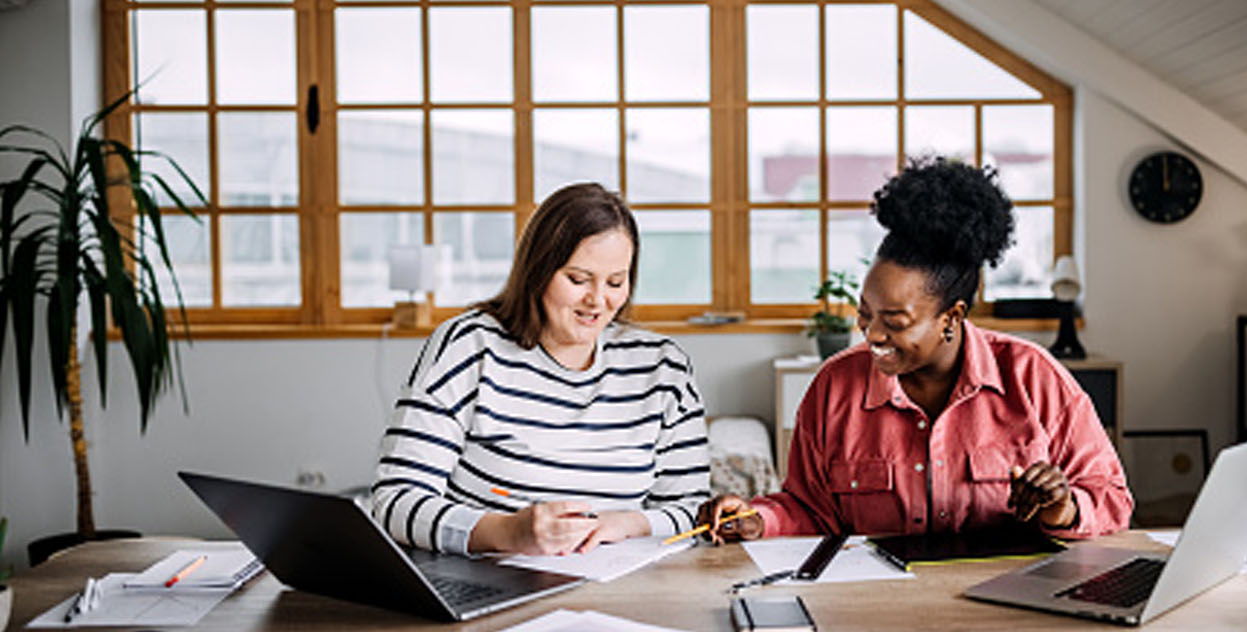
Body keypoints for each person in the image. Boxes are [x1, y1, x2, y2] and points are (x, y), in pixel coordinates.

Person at [698, 158, 1132, 542]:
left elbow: (1112, 500)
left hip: (1012, 612)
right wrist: (759, 518)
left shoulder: (1033, 377)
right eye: (866, 314)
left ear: (952, 317)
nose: (872, 335)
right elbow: (811, 509)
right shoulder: (834, 387)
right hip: (879, 610)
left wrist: (1065, 508)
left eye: (895, 322)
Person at [371, 182, 710, 556]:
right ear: (539, 270)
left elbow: (695, 512)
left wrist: (626, 522)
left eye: (616, 281)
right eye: (578, 280)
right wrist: (506, 532)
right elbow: (395, 501)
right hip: (488, 584)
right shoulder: (469, 346)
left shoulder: (663, 368)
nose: (597, 301)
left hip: (619, 593)